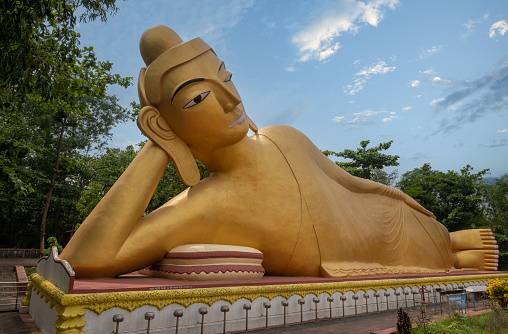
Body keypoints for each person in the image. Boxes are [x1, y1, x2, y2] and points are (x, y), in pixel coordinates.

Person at [60, 25, 499, 279]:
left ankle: (450, 240)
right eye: (198, 100)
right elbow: (83, 262)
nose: (232, 102)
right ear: (163, 124)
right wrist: (161, 143)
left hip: (383, 223)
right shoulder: (206, 206)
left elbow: (353, 184)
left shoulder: (282, 136)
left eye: (226, 78)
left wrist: (410, 203)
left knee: (438, 239)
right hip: (348, 263)